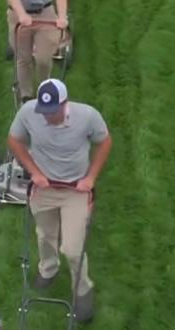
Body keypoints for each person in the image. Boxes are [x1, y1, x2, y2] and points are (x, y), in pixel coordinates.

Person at [8, 78, 112, 323]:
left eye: (52, 112)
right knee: (45, 235)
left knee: (74, 250)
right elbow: (14, 141)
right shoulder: (28, 112)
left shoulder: (87, 116)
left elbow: (105, 141)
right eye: (44, 112)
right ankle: (48, 269)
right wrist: (34, 171)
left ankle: (83, 290)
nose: (47, 117)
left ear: (64, 103)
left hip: (75, 190)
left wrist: (91, 178)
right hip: (43, 188)